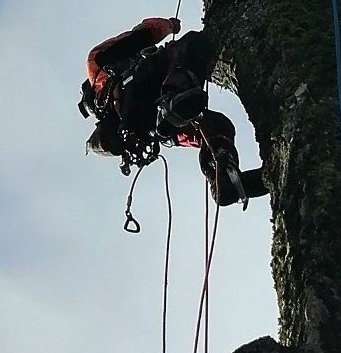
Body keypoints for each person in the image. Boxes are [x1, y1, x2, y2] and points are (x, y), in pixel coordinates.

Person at [79, 15, 267, 208]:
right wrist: (169, 25)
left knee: (215, 124)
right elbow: (142, 34)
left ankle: (220, 172)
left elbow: (197, 134)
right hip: (162, 90)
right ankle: (221, 174)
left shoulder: (134, 127)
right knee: (193, 45)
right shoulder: (98, 71)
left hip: (161, 119)